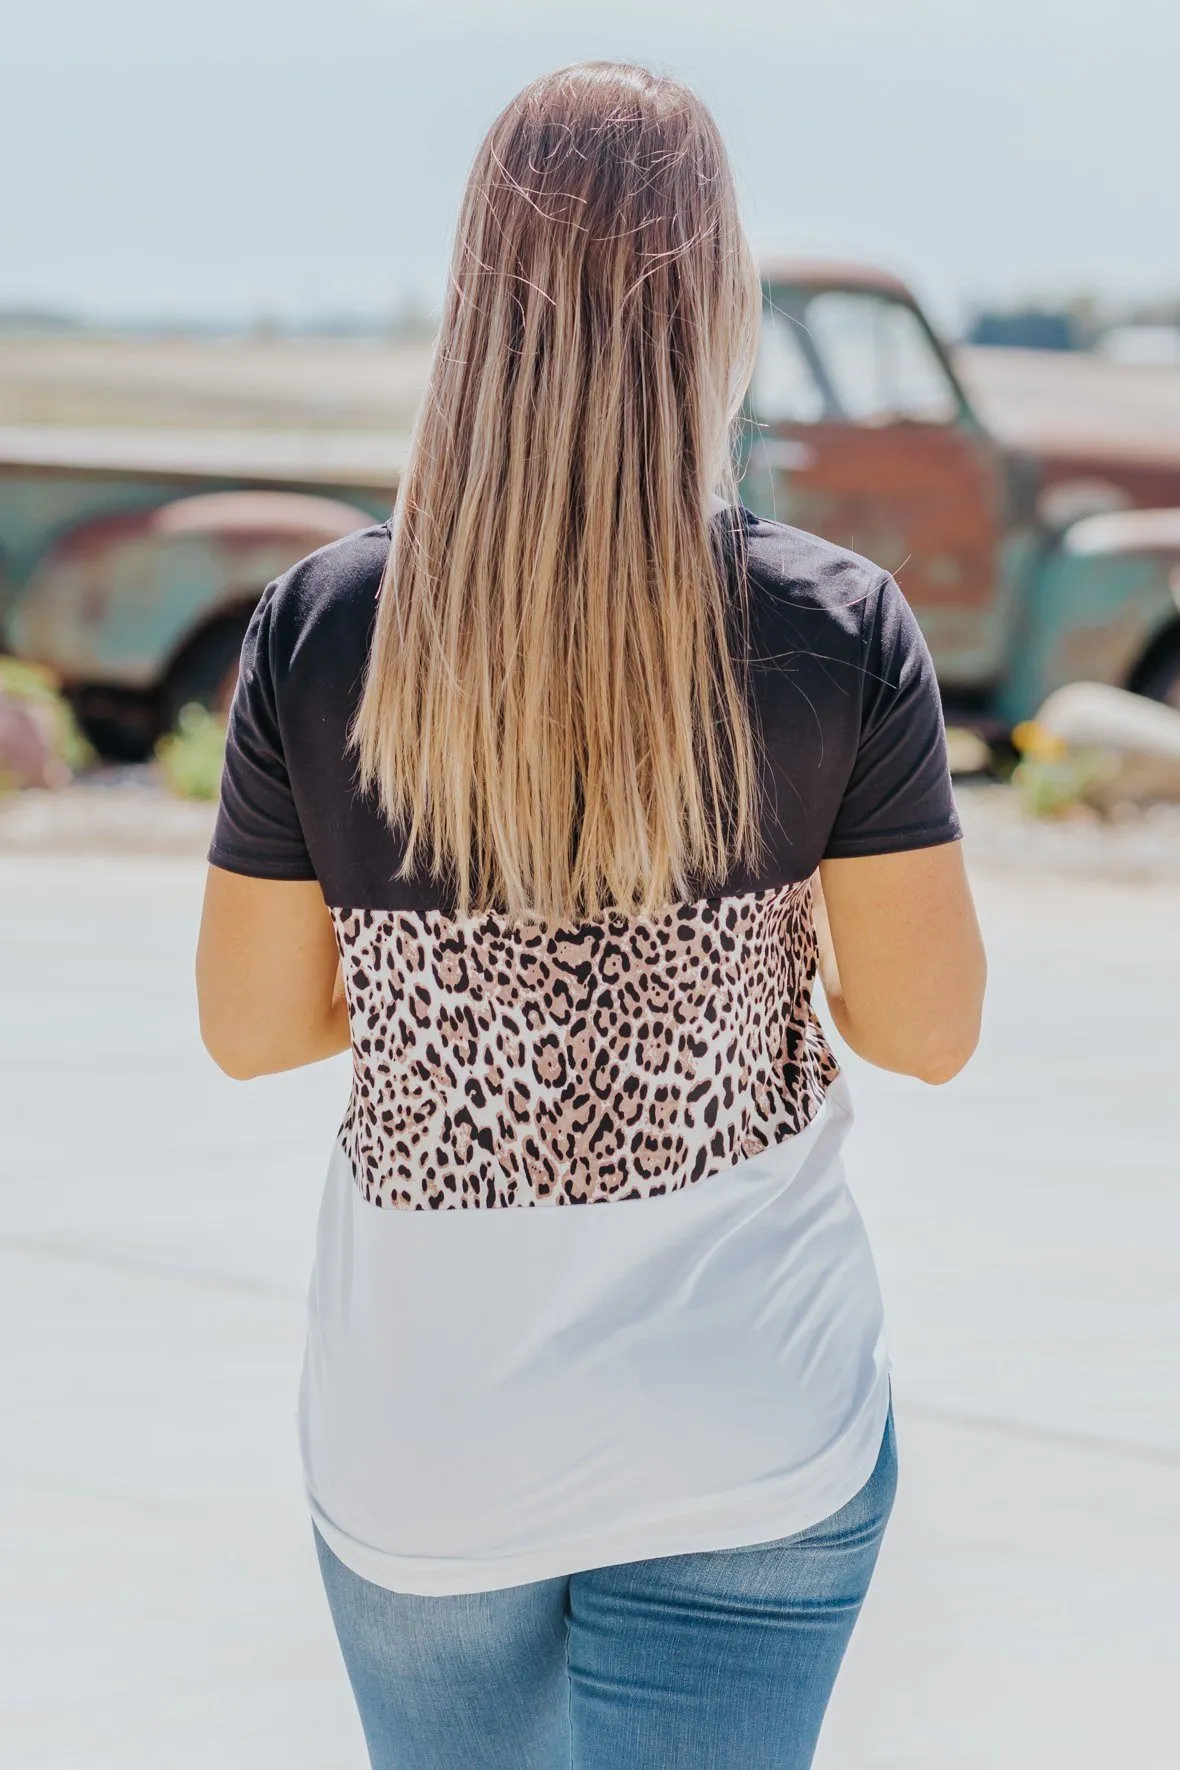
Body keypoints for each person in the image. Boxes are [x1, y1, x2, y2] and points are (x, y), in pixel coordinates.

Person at [196, 61, 986, 1770]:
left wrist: (453, 1001)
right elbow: (926, 1032)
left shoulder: (326, 627)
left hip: (431, 1439)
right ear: (719, 300)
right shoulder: (833, 627)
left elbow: (253, 1027)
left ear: (478, 297)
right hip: (746, 1430)